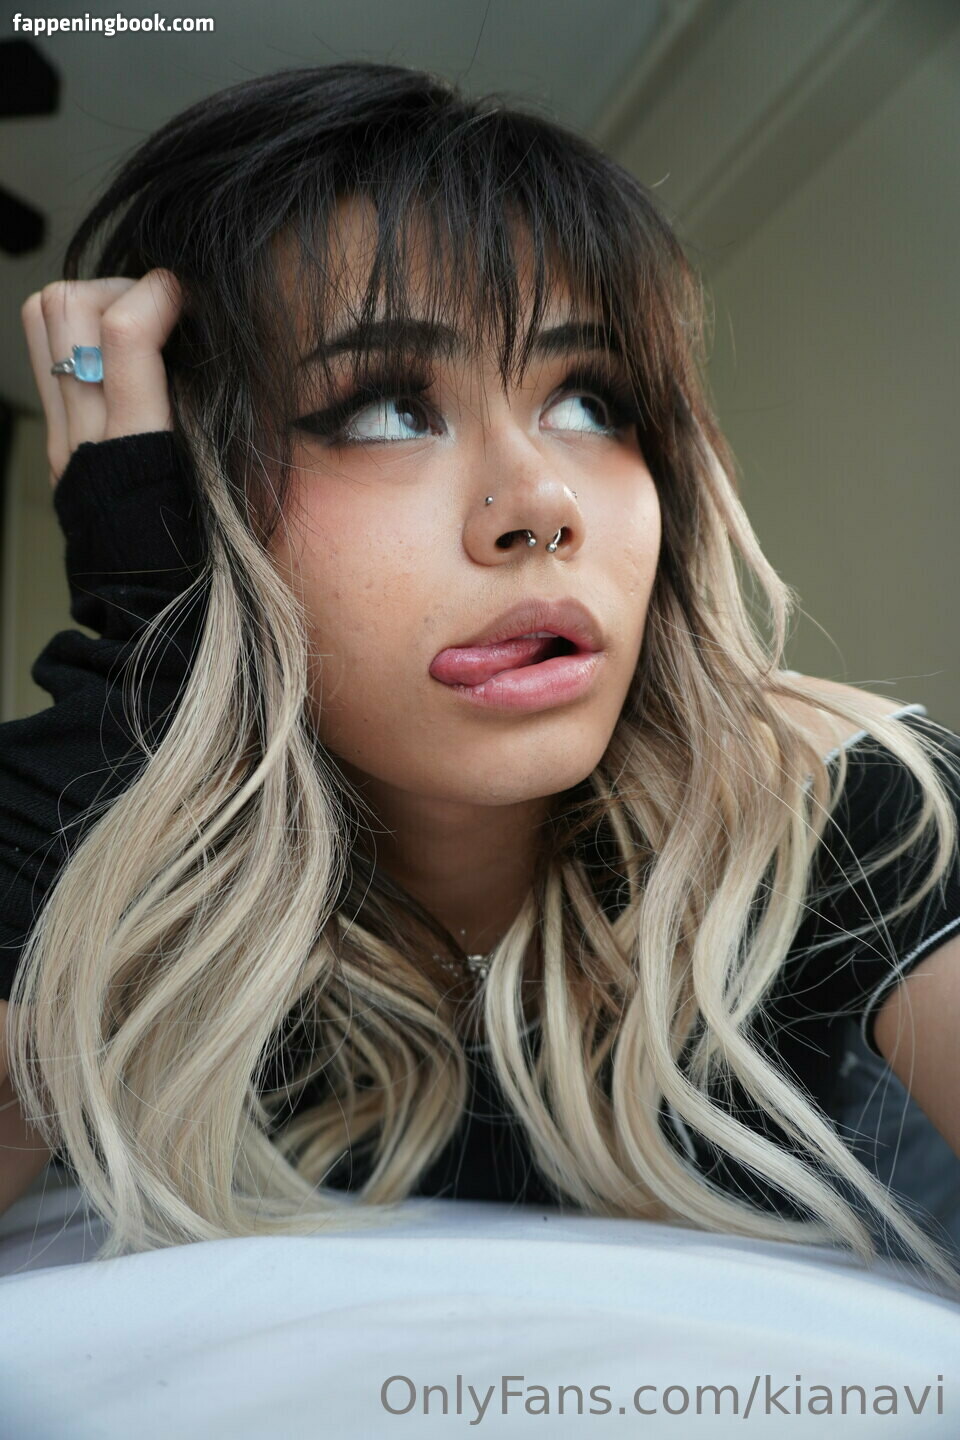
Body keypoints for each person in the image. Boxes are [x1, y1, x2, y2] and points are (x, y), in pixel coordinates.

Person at [2, 62, 959, 1293]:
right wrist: (143, 647)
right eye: (386, 411)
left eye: (591, 401)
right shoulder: (106, 851)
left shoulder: (835, 801)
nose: (541, 505)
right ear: (191, 502)